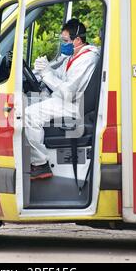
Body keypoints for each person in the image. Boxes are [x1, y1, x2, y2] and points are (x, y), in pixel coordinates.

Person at [25, 18, 100, 180]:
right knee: (28, 102)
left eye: (66, 41)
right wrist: (41, 70)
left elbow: (68, 92)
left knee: (29, 114)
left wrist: (46, 74)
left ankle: (40, 164)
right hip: (65, 99)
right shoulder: (74, 56)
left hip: (73, 104)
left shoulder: (87, 59)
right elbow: (60, 76)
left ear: (77, 40)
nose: (63, 44)